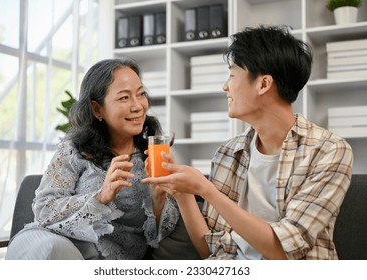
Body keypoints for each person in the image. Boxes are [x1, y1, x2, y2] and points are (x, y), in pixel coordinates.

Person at [141, 25, 354, 260]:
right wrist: (184, 194)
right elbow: (210, 251)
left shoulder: (328, 150)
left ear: (263, 84)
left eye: (232, 75)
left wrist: (206, 190)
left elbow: (285, 251)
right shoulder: (228, 153)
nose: (225, 86)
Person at [6, 58, 179, 260]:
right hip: (51, 246)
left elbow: (160, 237)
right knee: (53, 249)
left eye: (141, 94)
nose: (138, 106)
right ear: (97, 109)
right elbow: (44, 209)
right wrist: (101, 197)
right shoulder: (74, 150)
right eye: (124, 98)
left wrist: (158, 199)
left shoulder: (155, 155)